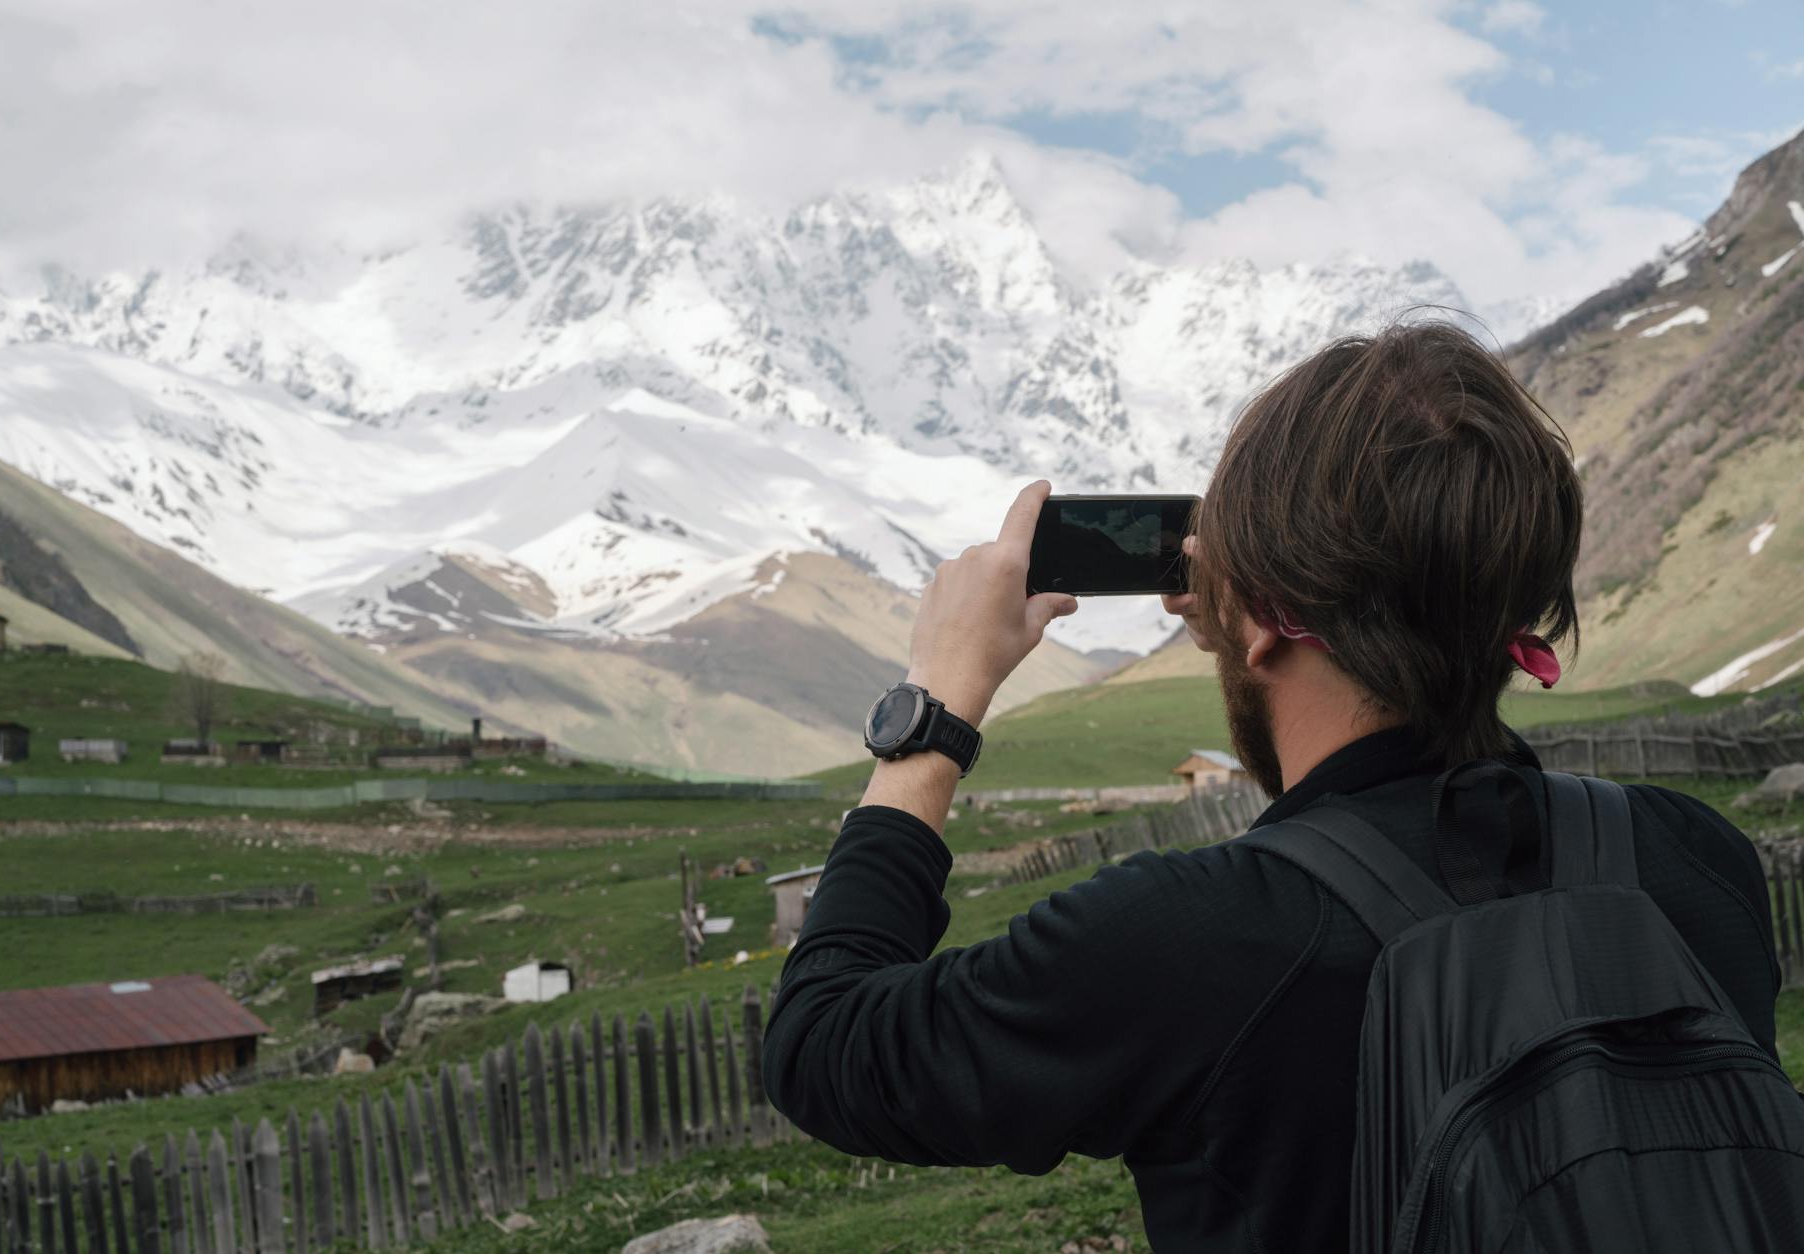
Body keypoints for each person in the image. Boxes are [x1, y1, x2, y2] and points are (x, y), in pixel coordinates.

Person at [759, 322, 1783, 1252]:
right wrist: (1256, 609)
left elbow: (824, 1045)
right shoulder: (1691, 861)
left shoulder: (1193, 938)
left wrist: (931, 710)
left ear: (1251, 615)